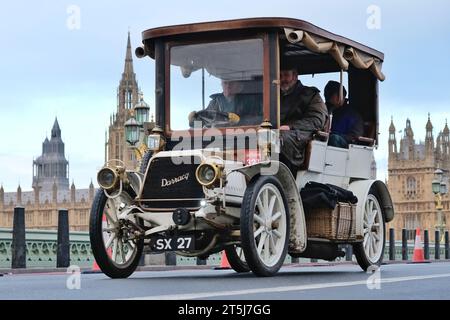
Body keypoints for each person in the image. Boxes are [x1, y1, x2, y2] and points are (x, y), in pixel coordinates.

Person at [278, 67, 328, 174]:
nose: (283, 79)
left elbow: (317, 120)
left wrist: (291, 126)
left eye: (286, 75)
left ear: (295, 76)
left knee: (278, 139)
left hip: (301, 135)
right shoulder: (272, 95)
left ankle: (284, 180)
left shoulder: (311, 95)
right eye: (280, 76)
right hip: (275, 132)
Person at [189, 79, 262, 126]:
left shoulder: (251, 100)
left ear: (240, 85)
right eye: (225, 83)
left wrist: (241, 121)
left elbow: (263, 119)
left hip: (247, 137)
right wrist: (194, 121)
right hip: (223, 141)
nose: (228, 86)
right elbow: (205, 121)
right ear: (221, 84)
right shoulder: (215, 102)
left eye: (231, 83)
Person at [324, 81, 363, 148]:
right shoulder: (324, 109)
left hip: (346, 146)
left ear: (341, 95)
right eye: (327, 95)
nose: (328, 98)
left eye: (331, 95)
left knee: (334, 139)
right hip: (325, 139)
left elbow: (355, 136)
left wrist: (334, 134)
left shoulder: (352, 114)